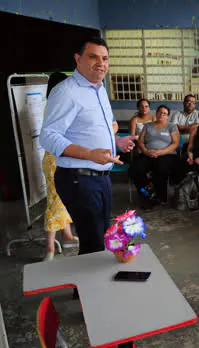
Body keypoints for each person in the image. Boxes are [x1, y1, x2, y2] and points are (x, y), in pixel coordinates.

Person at [40, 37, 137, 257]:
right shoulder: (66, 91)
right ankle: (83, 291)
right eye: (93, 57)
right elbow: (48, 137)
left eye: (105, 58)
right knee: (93, 244)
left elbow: (96, 128)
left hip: (100, 177)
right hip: (79, 178)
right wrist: (90, 155)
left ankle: (93, 289)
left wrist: (117, 142)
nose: (100, 63)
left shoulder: (99, 88)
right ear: (78, 59)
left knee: (102, 235)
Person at [41, 72, 78, 261]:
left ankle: (68, 236)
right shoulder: (55, 106)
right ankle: (49, 248)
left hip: (63, 158)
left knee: (63, 198)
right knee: (54, 201)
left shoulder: (59, 104)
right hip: (54, 160)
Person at [131, 105, 180, 206]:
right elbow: (140, 141)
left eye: (164, 113)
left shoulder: (172, 126)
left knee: (161, 167)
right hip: (148, 154)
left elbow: (175, 143)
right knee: (135, 168)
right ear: (156, 113)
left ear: (168, 116)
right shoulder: (148, 126)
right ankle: (145, 194)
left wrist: (160, 152)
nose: (162, 114)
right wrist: (145, 151)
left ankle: (160, 196)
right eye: (160, 112)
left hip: (167, 154)